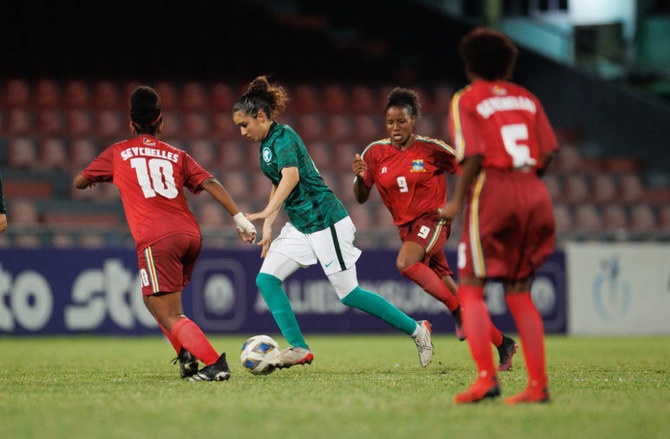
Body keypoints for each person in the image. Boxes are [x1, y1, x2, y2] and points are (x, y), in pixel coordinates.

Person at [232, 76, 434, 370]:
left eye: (244, 124)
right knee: (266, 279)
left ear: (260, 116)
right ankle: (299, 348)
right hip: (302, 226)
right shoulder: (266, 146)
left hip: (325, 220)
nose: (241, 131)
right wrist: (268, 223)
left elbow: (291, 176)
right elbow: (278, 183)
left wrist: (265, 213)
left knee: (350, 294)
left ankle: (418, 331)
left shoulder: (284, 137)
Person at [74, 85, 257, 382]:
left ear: (132, 124)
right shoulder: (177, 155)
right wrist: (238, 218)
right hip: (190, 235)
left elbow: (80, 181)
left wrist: (93, 180)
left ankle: (214, 364)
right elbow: (210, 182)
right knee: (152, 299)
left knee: (171, 313)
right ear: (161, 122)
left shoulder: (118, 152)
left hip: (156, 238)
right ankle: (186, 355)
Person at [352, 87, 517, 371]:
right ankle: (504, 344)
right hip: (408, 232)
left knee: (405, 262)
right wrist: (358, 178)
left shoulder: (431, 149)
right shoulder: (375, 153)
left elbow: (469, 169)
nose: (395, 128)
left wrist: (459, 203)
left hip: (433, 220)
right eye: (390, 122)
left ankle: (456, 313)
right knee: (460, 297)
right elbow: (361, 196)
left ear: (413, 119)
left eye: (401, 121)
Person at [439, 27, 558, 404]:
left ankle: (486, 379)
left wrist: (457, 202)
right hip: (534, 190)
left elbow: (472, 154)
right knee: (520, 292)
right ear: (508, 64)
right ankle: (537, 386)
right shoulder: (527, 98)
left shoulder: (466, 98)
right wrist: (528, 181)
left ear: (470, 63)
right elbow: (550, 152)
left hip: (493, 190)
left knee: (472, 287)